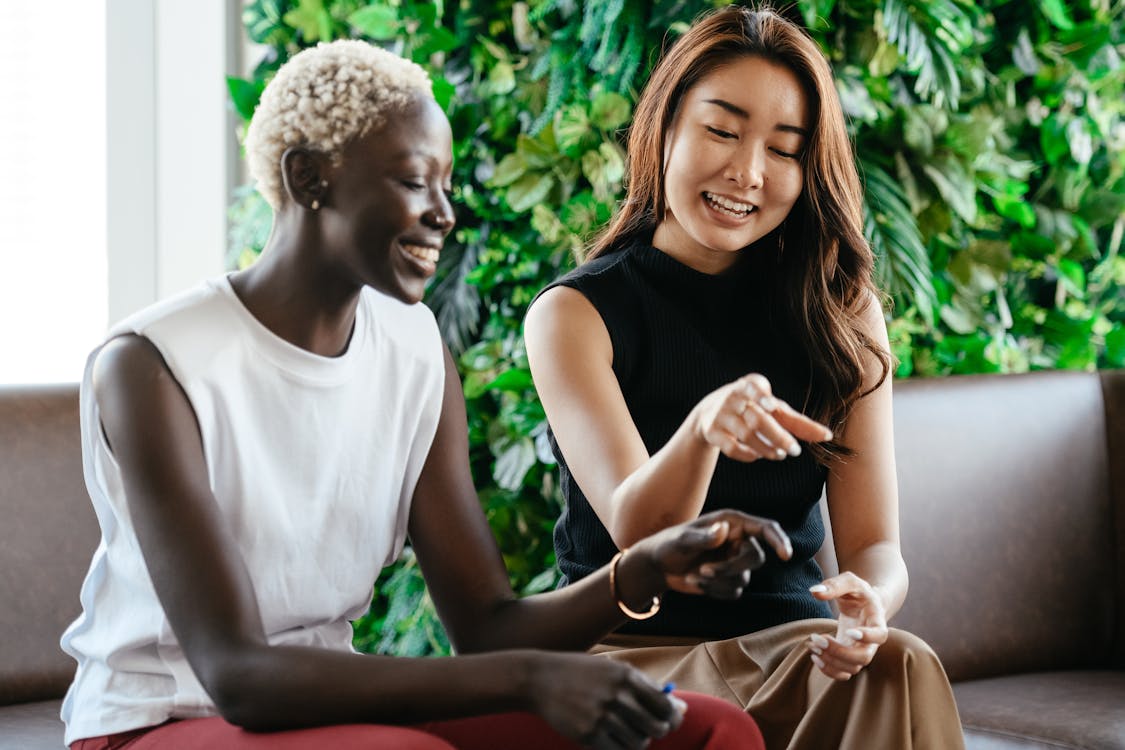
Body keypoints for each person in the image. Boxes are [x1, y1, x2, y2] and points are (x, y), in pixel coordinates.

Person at [58, 39, 779, 750]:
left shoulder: (411, 347)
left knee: (710, 730)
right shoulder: (153, 365)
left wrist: (638, 571)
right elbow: (239, 675)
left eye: (446, 185)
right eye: (411, 182)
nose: (444, 214)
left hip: (320, 708)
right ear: (310, 179)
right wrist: (529, 680)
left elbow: (486, 624)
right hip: (157, 721)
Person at [523, 6, 965, 749]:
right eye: (722, 131)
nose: (748, 172)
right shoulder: (575, 314)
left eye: (784, 149)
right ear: (665, 127)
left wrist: (869, 608)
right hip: (635, 654)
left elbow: (875, 549)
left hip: (794, 646)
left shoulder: (839, 311)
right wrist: (703, 430)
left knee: (891, 662)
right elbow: (643, 536)